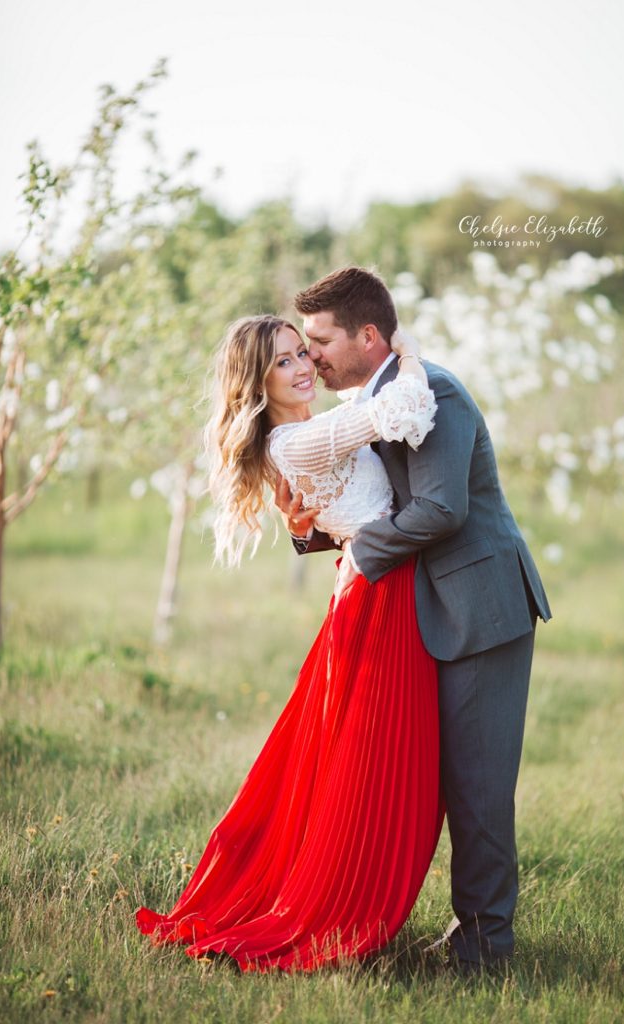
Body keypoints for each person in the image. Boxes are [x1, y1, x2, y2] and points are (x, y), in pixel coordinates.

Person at [135, 314, 446, 972]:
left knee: (358, 759)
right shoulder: (297, 443)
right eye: (282, 362)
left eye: (303, 352)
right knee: (372, 761)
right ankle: (338, 904)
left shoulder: (304, 433)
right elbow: (407, 408)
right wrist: (408, 350)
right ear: (256, 382)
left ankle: (348, 889)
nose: (303, 366)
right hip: (378, 595)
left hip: (374, 586)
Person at [277, 266, 552, 974]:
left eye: (320, 341)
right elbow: (369, 500)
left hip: (479, 609)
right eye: (302, 347)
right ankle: (432, 924)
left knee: (476, 785)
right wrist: (314, 532)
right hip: (419, 611)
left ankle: (487, 946)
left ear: (369, 336)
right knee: (424, 779)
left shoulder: (434, 392)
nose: (310, 358)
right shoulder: (374, 402)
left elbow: (440, 509)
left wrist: (361, 556)